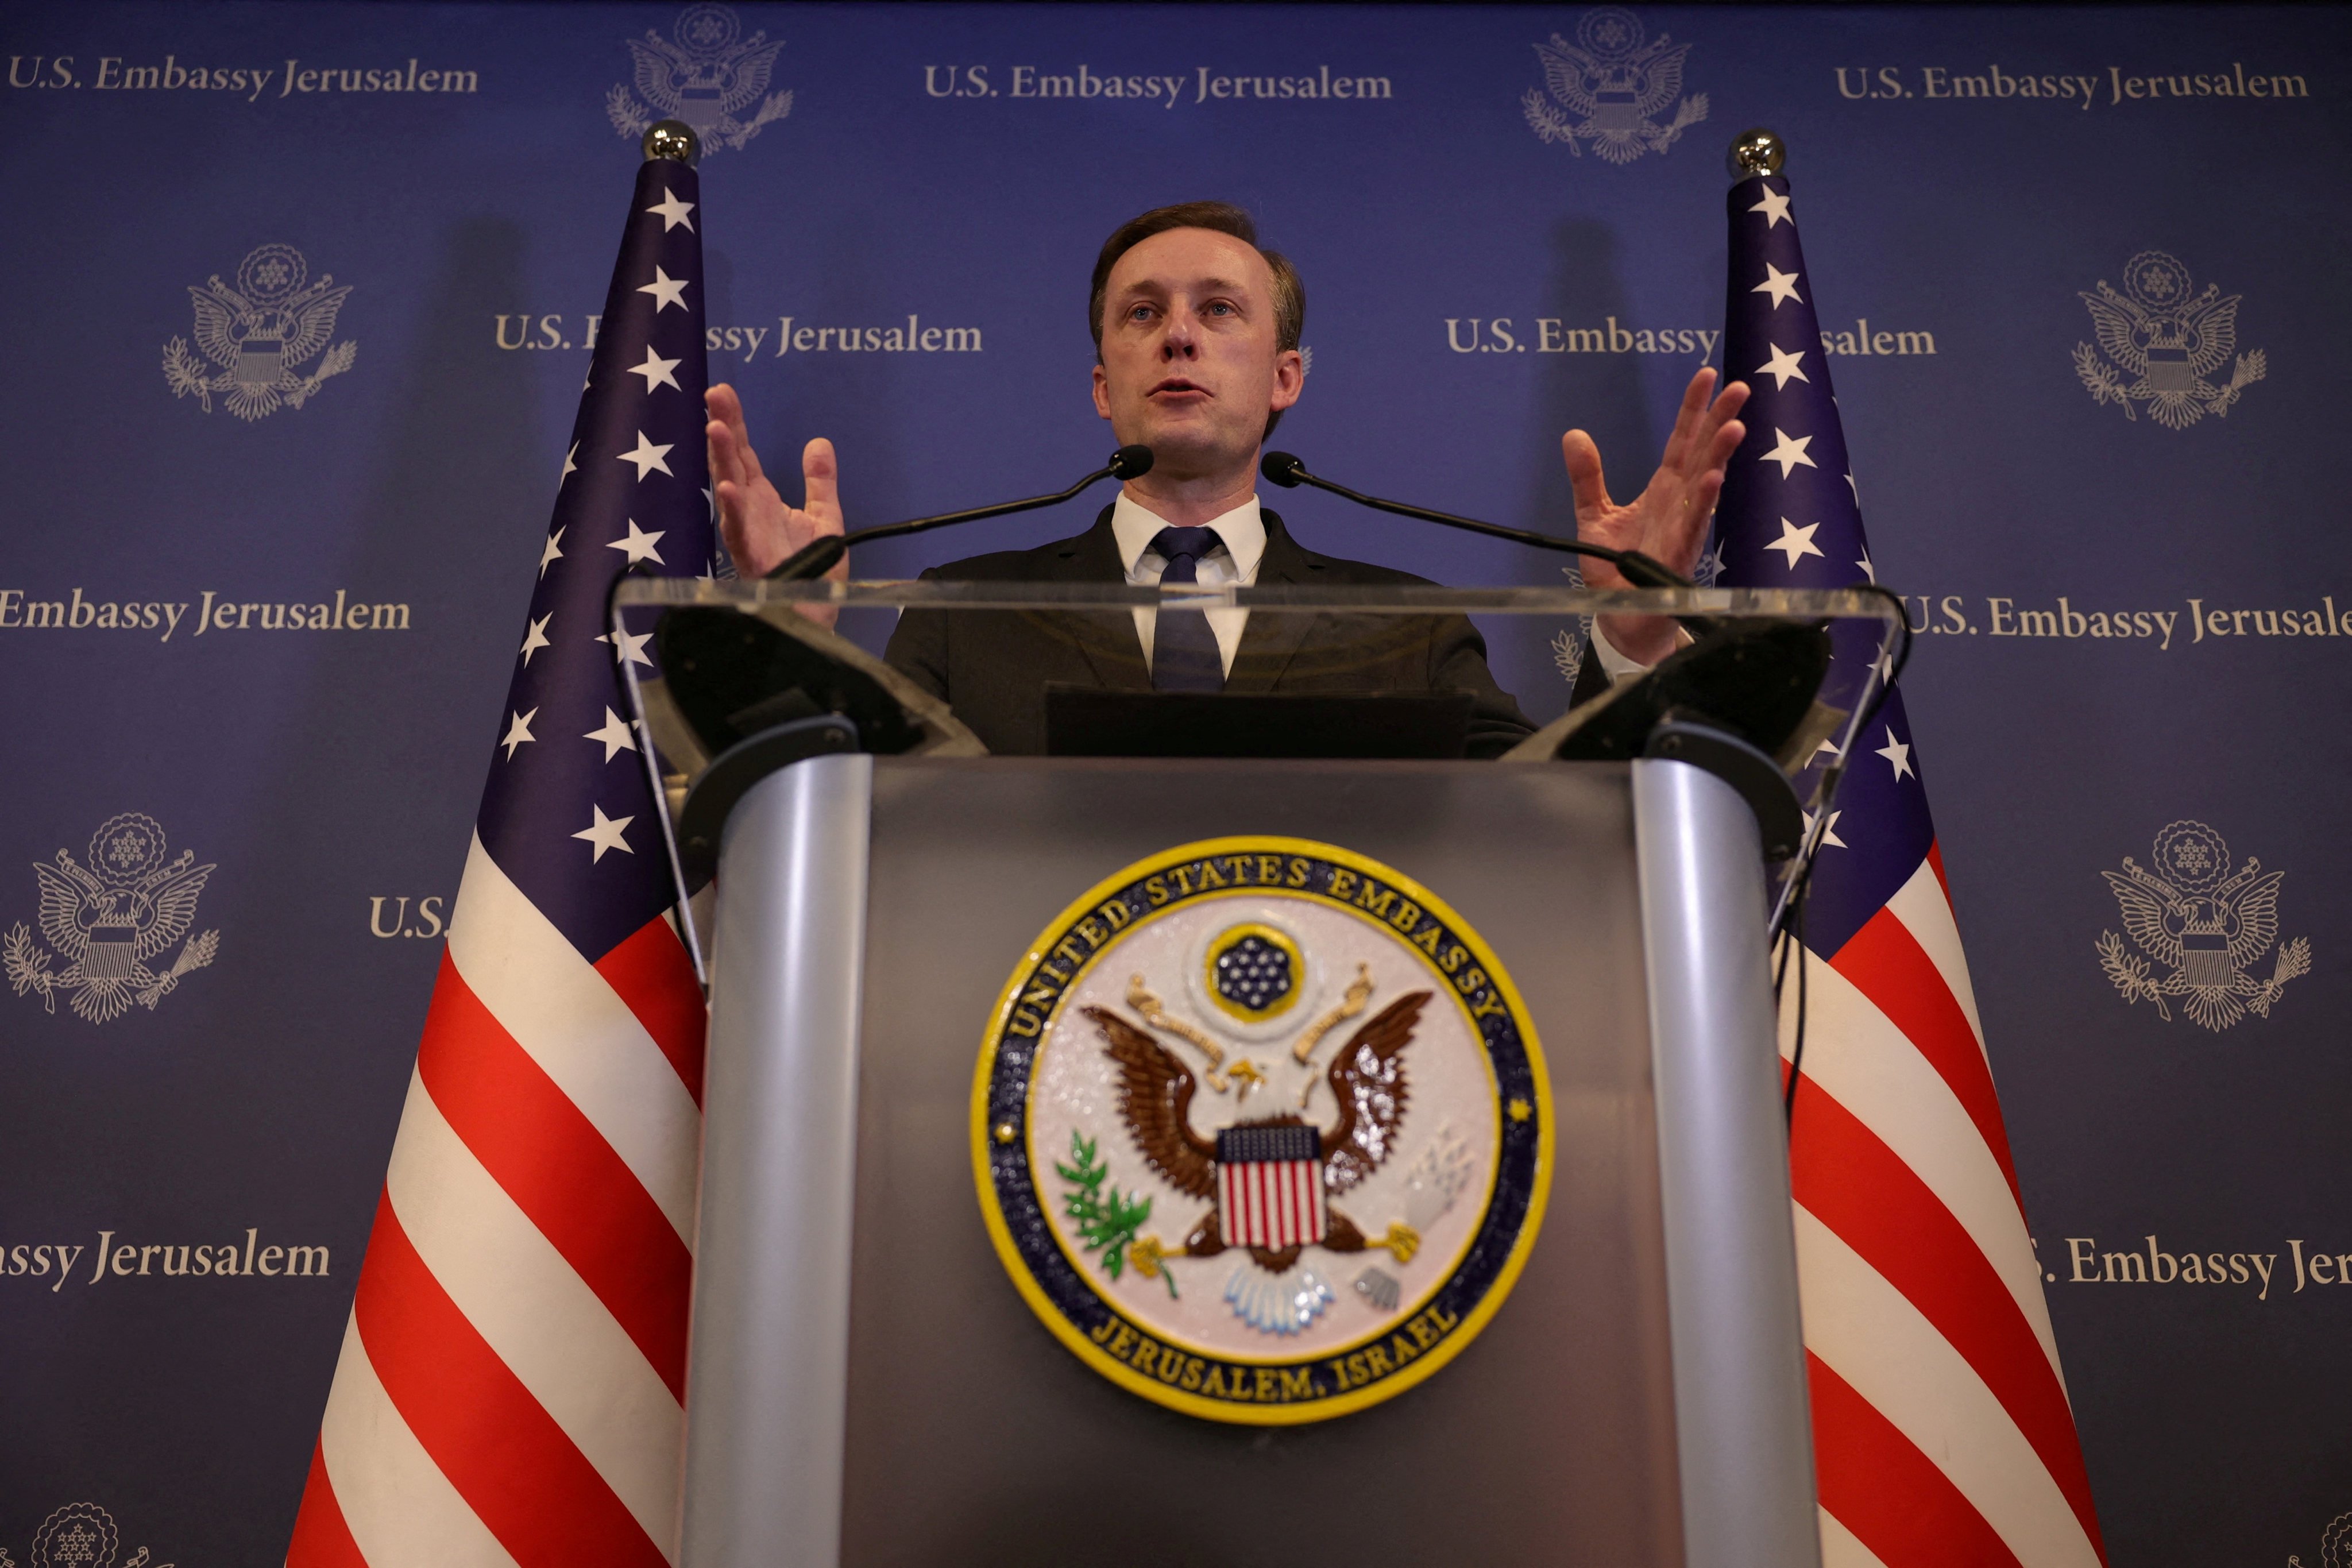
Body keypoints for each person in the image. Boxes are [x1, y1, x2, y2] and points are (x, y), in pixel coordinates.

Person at [705, 201, 1747, 756]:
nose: (1180, 340)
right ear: (1101, 385)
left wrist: (1634, 640)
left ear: (1285, 376)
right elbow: (853, 826)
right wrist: (791, 654)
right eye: (1144, 314)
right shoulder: (962, 613)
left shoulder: (1409, 627)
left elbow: (1546, 819)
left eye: (1219, 311)